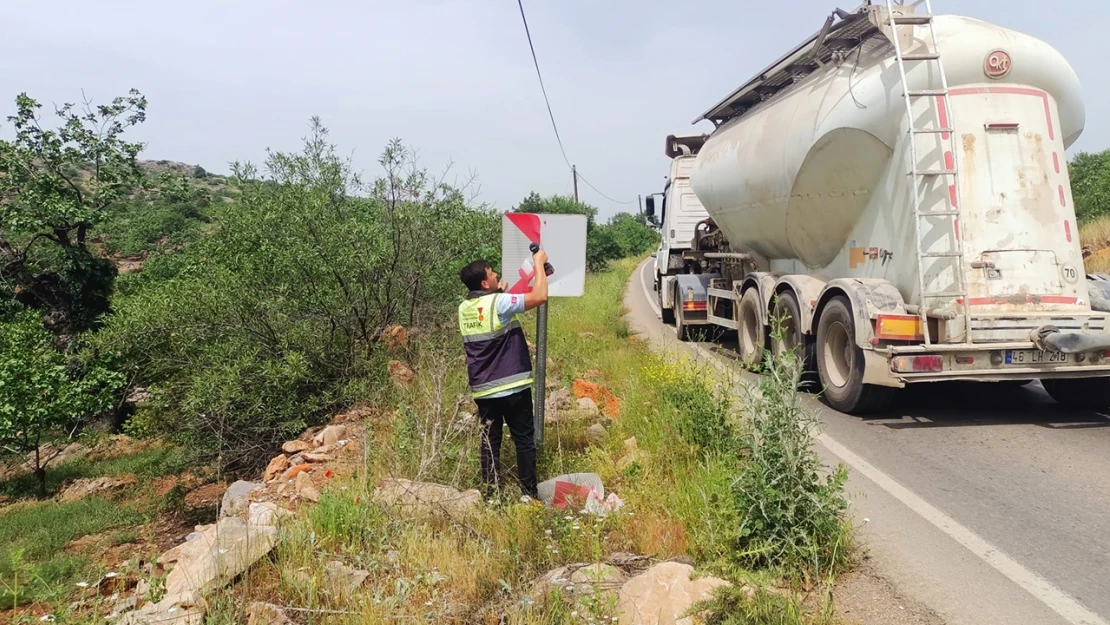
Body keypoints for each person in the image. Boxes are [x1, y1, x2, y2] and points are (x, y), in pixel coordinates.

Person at [457, 248, 549, 501]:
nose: (497, 274)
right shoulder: (499, 303)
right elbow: (539, 296)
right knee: (523, 440)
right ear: (485, 283)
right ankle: (528, 495)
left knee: (490, 443)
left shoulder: (464, 307)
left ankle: (492, 496)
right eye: (492, 273)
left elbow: (487, 312)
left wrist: (499, 292)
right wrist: (539, 264)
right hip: (513, 388)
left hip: (484, 389)